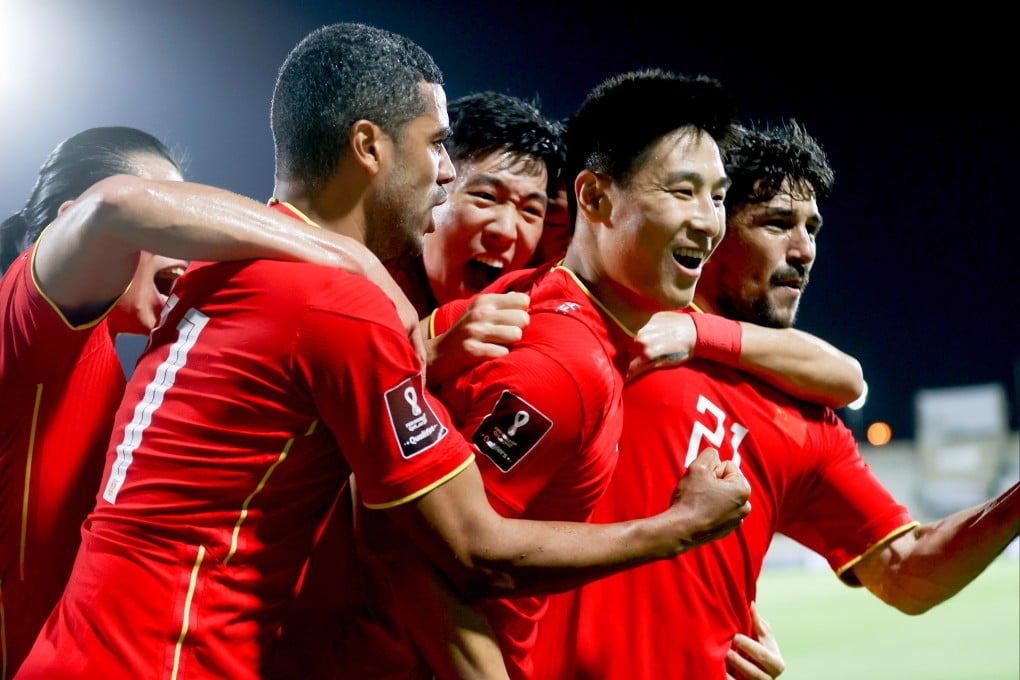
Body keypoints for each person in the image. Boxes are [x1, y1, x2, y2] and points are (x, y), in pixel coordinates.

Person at [15, 26, 752, 680]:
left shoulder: (221, 264)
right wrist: (682, 526)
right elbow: (474, 545)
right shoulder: (343, 305)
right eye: (436, 145)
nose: (444, 170)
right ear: (369, 147)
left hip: (82, 649)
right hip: (173, 660)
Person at [532, 119, 1020, 678]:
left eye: (812, 228)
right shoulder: (618, 317)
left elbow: (908, 572)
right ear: (712, 227)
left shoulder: (805, 418)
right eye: (776, 224)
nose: (805, 249)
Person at [332, 68, 749, 680]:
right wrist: (680, 528)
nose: (710, 222)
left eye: (717, 196)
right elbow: (415, 539)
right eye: (683, 192)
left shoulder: (552, 306)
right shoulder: (562, 365)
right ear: (595, 198)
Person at [0, 124, 427, 678]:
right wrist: (347, 256)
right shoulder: (25, 320)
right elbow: (113, 205)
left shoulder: (111, 354)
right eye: (169, 211)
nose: (186, 240)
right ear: (66, 222)